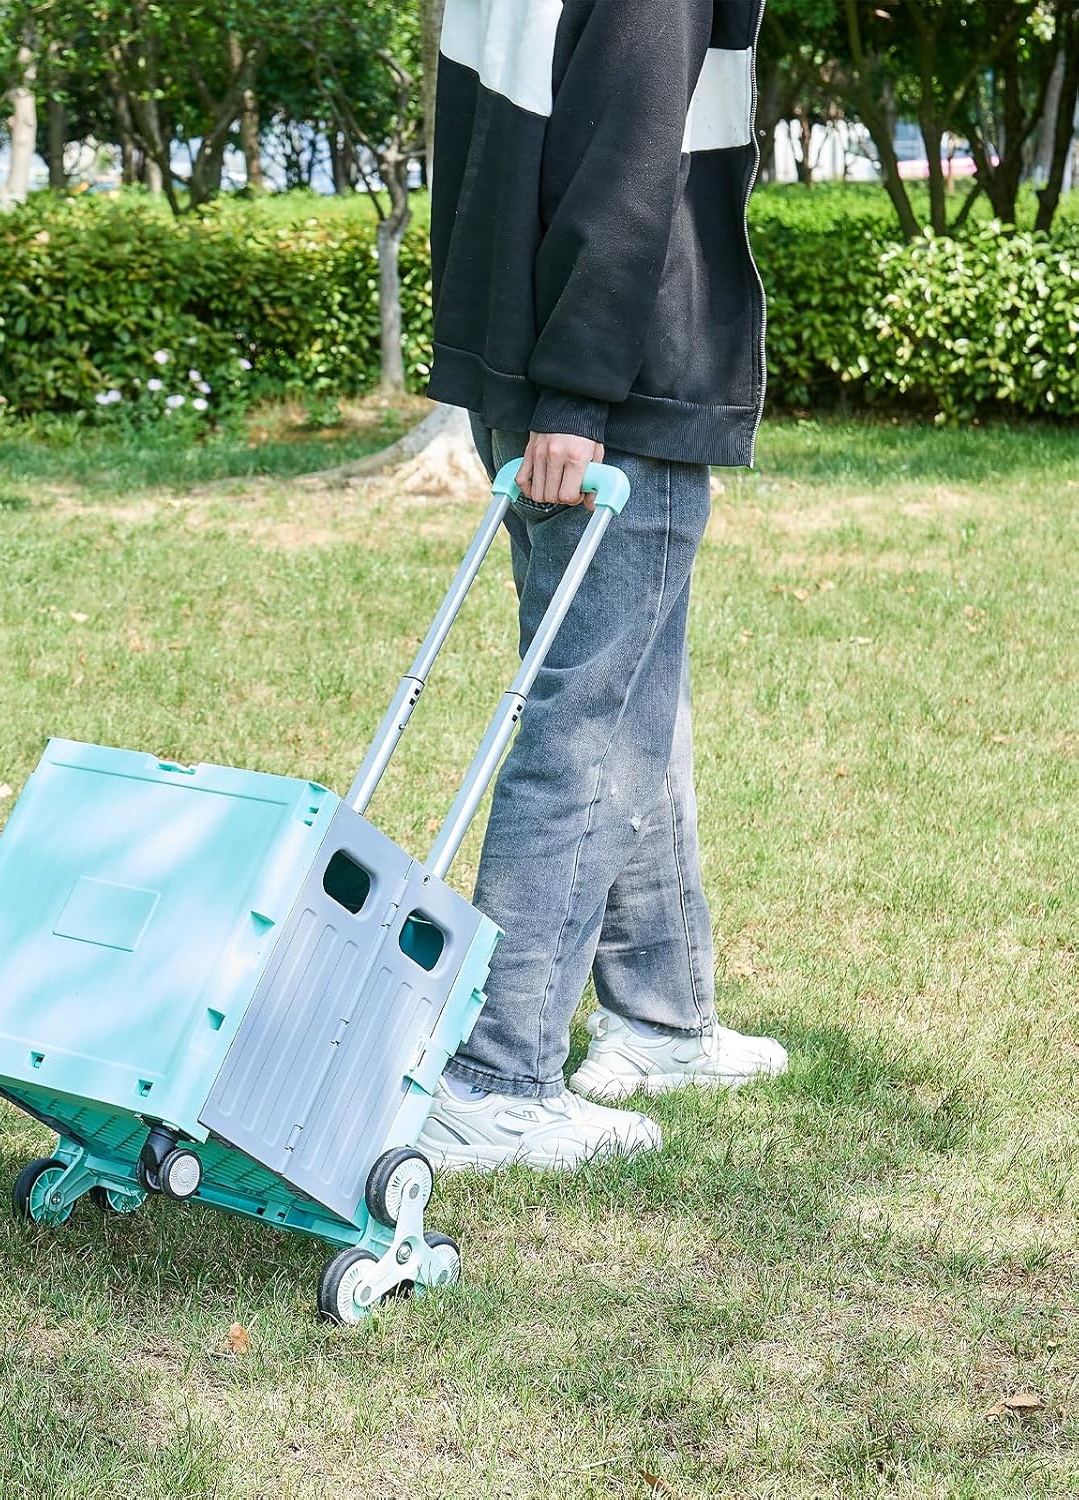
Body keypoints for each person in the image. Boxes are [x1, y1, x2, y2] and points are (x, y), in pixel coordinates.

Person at [416, 0, 786, 1171]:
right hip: (611, 396)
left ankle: (661, 1017)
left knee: (629, 701)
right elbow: (628, 157)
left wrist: (532, 390)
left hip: (524, 373)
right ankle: (496, 1073)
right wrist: (579, 398)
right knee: (589, 726)